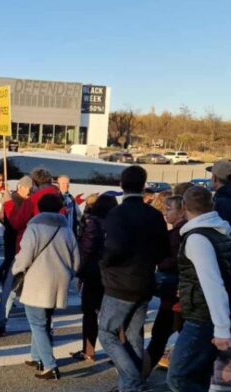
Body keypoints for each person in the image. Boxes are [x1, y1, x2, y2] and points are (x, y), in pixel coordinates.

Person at [99, 165, 170, 392]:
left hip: (120, 284)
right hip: (145, 281)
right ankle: (129, 384)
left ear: (121, 184)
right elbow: (163, 251)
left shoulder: (117, 214)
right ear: (143, 184)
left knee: (107, 333)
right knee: (133, 336)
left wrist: (104, 263)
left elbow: (113, 248)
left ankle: (132, 382)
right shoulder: (154, 215)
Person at [167, 186, 231, 392]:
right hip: (211, 314)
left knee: (178, 376)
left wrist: (222, 329)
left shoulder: (196, 238)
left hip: (202, 317)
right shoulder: (221, 232)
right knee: (203, 375)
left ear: (184, 207)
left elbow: (212, 283)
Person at [13, 193, 79, 380]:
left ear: (39, 208)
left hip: (37, 281)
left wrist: (16, 269)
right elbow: (76, 259)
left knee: (37, 323)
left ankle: (50, 365)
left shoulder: (34, 227)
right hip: (58, 281)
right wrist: (69, 273)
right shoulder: (67, 229)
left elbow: (25, 256)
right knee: (44, 322)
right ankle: (37, 357)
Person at [72, 193, 118, 362]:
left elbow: (87, 250)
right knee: (114, 314)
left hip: (94, 271)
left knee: (90, 312)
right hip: (113, 273)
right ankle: (117, 352)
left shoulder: (94, 223)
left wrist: (80, 273)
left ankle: (89, 350)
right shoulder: (118, 224)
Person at [145, 194, 187, 374]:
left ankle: (138, 379)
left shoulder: (179, 234)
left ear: (182, 210)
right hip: (179, 295)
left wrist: (158, 258)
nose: (165, 212)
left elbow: (171, 262)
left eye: (169, 209)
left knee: (159, 338)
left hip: (175, 296)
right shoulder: (182, 232)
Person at [0, 176, 33, 336]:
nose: (29, 190)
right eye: (27, 187)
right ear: (21, 187)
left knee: (12, 284)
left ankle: (0, 321)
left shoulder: (28, 201)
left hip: (21, 244)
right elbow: (6, 219)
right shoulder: (15, 199)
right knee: (12, 283)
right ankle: (0, 321)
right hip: (14, 241)